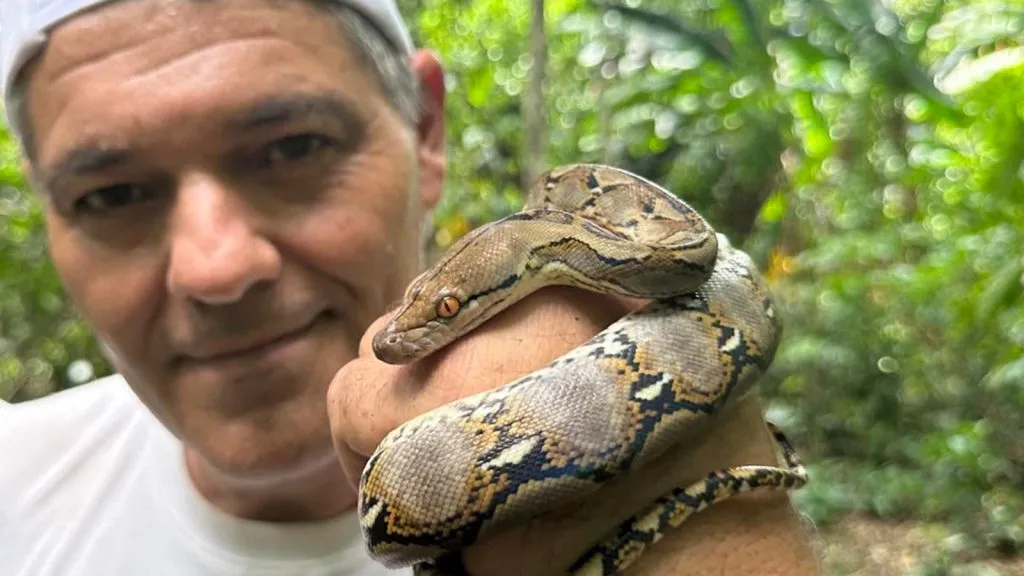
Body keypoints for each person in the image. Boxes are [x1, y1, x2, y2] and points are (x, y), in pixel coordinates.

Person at [0, 0, 823, 574]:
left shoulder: (639, 266)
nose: (216, 269)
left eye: (292, 148)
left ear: (427, 132)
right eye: (108, 195)